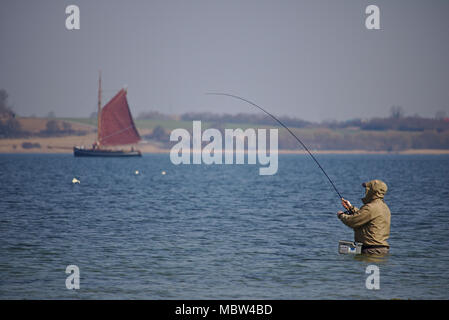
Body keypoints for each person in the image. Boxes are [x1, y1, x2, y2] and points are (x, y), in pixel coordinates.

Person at [337, 179, 391, 255]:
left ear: (373, 191)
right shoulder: (384, 207)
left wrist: (341, 215)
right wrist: (351, 208)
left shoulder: (371, 207)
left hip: (371, 251)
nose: (366, 191)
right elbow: (364, 216)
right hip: (381, 249)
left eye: (367, 188)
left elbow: (353, 221)